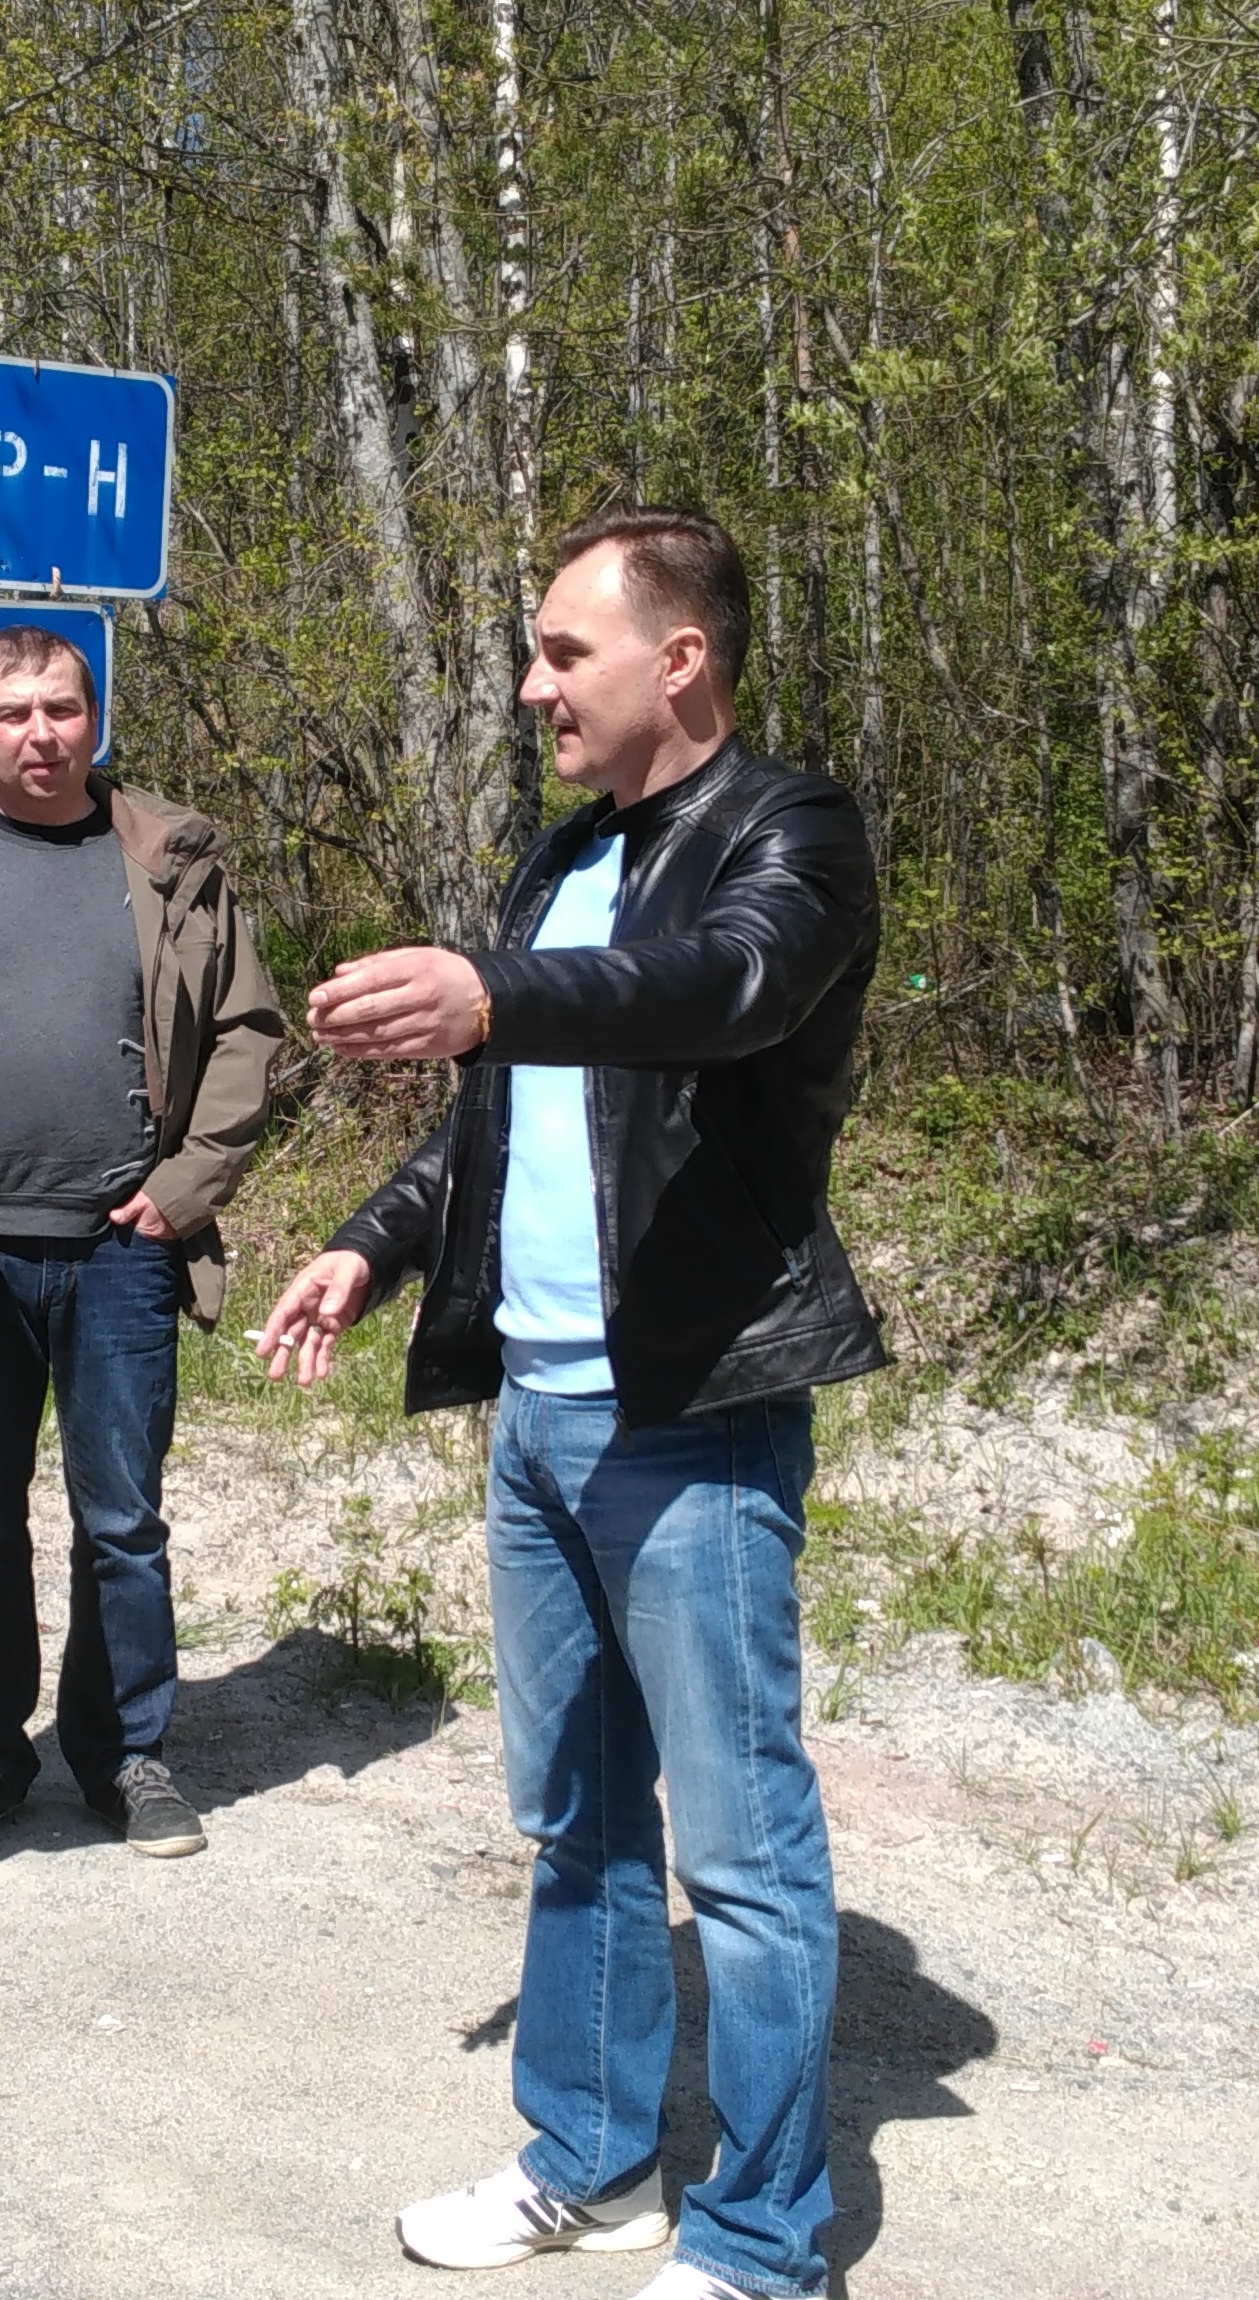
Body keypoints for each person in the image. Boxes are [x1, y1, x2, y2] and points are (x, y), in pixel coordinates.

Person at [259, 509, 883, 2300]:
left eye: (559, 652)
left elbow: (714, 995)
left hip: (688, 1414)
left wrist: (491, 990)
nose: (530, 686)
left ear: (673, 657)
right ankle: (593, 2170)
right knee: (578, 1822)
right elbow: (497, 1116)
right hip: (536, 1419)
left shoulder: (788, 834)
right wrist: (373, 1248)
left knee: (743, 1856)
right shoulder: (559, 861)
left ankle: (764, 2241)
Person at [0, 626, 281, 1862]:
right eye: (12, 714)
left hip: (123, 1248)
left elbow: (248, 1030)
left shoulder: (171, 860)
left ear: (95, 718)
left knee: (123, 1518)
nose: (41, 734)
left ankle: (123, 1752)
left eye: (62, 708)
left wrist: (188, 1183)